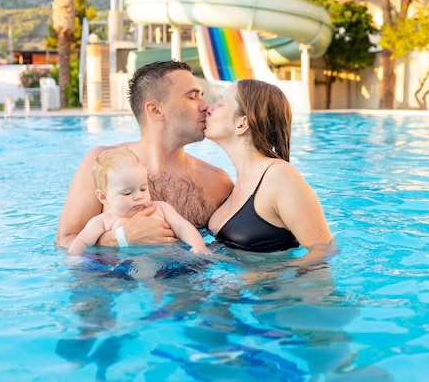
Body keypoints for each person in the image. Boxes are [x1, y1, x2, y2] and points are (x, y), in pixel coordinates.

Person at [56, 61, 234, 249]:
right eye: (192, 97)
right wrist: (121, 238)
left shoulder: (218, 182)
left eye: (202, 96)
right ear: (155, 110)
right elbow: (65, 241)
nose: (205, 106)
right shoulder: (102, 163)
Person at [204, 79, 337, 261]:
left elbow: (324, 251)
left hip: (290, 289)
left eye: (221, 103)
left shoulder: (279, 176)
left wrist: (260, 277)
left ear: (242, 124)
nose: (209, 108)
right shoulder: (234, 189)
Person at [68, 147, 211, 256]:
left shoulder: (161, 209)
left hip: (166, 261)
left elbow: (182, 227)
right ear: (104, 198)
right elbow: (81, 243)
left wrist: (199, 245)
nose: (138, 196)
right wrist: (73, 260)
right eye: (127, 193)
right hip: (121, 268)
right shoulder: (103, 222)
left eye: (143, 189)